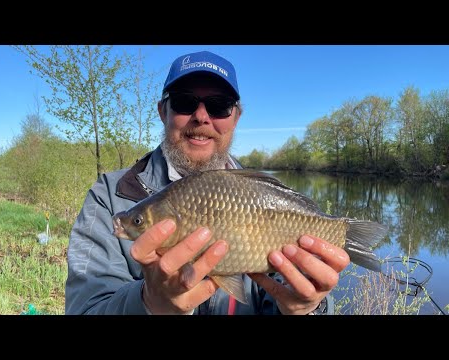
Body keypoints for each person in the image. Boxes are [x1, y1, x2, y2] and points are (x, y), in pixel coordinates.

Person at [65, 50, 350, 315]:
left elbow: (279, 300)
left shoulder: (259, 195)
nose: (201, 117)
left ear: (235, 118)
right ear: (163, 111)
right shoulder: (109, 196)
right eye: (185, 102)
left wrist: (308, 306)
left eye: (219, 106)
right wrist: (149, 303)